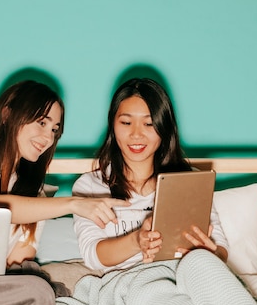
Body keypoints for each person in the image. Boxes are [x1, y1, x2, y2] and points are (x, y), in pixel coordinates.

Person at [0, 80, 127, 266]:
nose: (48, 137)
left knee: (35, 287)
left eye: (54, 130)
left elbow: (17, 266)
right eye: (42, 123)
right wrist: (73, 203)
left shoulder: (33, 199)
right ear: (7, 115)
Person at [73, 77, 228, 272]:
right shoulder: (91, 186)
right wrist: (137, 240)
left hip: (187, 276)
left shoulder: (189, 181)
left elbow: (220, 248)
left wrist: (209, 254)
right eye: (127, 122)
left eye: (148, 124)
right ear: (113, 125)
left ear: (164, 128)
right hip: (128, 283)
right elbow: (92, 256)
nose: (136, 134)